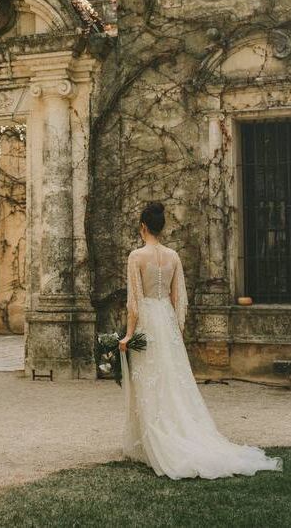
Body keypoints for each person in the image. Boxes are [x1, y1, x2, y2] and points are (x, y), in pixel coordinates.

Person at [119, 201, 282, 479]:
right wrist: (175, 330)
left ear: (143, 227)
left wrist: (128, 335)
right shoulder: (173, 256)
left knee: (150, 381)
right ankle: (172, 434)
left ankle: (154, 442)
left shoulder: (136, 257)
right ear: (161, 227)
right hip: (167, 321)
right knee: (172, 381)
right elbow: (176, 299)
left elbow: (134, 303)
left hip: (147, 319)